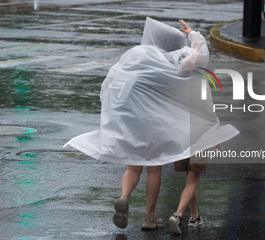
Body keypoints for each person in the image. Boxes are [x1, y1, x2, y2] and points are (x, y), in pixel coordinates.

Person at [64, 17, 239, 230]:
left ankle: (124, 196)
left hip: (129, 119)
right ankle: (149, 216)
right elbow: (201, 57)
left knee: (133, 165)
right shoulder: (174, 60)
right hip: (154, 123)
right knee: (153, 170)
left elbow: (110, 82)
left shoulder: (135, 55)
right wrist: (194, 34)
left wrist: (112, 113)